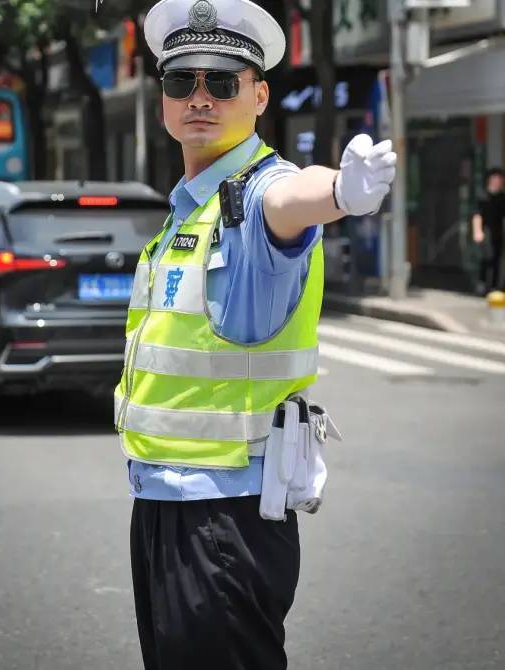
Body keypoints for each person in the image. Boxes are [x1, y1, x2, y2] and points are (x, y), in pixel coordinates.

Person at [114, 1, 397, 668]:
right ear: (163, 98)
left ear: (259, 94)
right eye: (181, 82)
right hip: (161, 504)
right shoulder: (189, 207)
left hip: (224, 518)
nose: (200, 98)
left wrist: (343, 194)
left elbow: (291, 199)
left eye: (223, 81)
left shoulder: (256, 190)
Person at [473, 167, 505, 293]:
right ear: (490, 180)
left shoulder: (502, 197)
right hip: (485, 231)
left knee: (497, 258)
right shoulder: (482, 196)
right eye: (495, 178)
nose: (497, 181)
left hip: (498, 232)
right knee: (486, 257)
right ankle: (482, 283)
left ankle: (494, 286)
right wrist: (477, 231)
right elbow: (477, 215)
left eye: (500, 179)